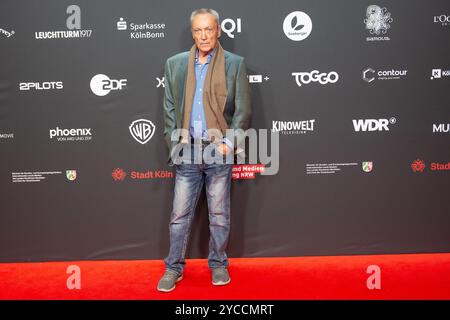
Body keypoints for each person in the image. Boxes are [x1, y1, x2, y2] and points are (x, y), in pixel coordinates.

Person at [157, 8, 251, 292]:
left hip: (217, 151)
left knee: (219, 214)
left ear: (218, 31)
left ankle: (219, 265)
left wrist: (228, 144)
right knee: (178, 216)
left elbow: (243, 112)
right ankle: (173, 268)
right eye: (198, 30)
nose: (203, 35)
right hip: (187, 150)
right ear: (192, 33)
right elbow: (170, 108)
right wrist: (176, 144)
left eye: (209, 29)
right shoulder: (175, 64)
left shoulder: (234, 64)